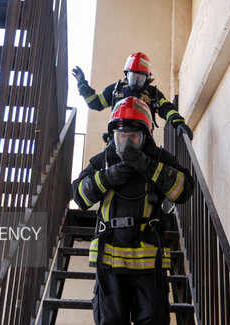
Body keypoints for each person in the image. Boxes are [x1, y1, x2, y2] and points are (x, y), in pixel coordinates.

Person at [72, 97, 194, 325]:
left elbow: (184, 190)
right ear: (112, 136)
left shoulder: (158, 158)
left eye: (133, 137)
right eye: (121, 136)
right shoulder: (104, 161)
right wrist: (108, 177)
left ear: (145, 136)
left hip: (149, 266)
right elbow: (79, 195)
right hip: (109, 263)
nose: (127, 142)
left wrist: (147, 166)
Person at [72, 52, 194, 140]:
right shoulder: (115, 89)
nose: (135, 80)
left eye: (139, 77)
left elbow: (166, 108)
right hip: (118, 139)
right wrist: (83, 86)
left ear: (147, 77)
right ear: (126, 74)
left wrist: (178, 123)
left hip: (143, 140)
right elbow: (96, 103)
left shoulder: (152, 93)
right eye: (133, 76)